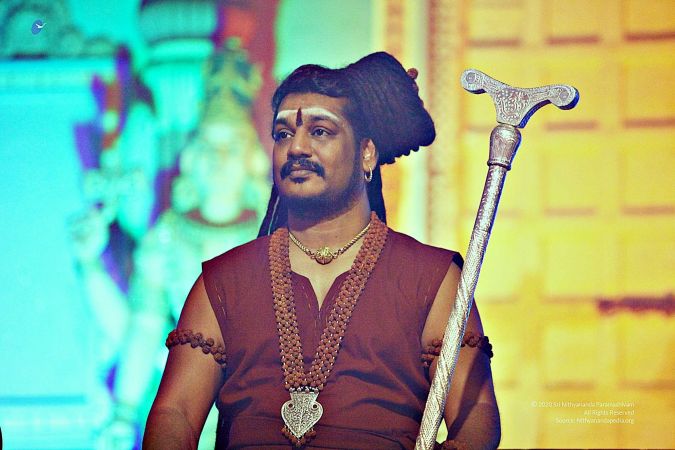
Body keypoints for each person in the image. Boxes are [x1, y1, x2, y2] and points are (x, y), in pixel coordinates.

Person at [143, 52, 500, 449]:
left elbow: (477, 415)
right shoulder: (225, 281)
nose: (297, 147)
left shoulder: (430, 277)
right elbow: (175, 412)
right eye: (283, 134)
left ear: (367, 153)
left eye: (320, 131)